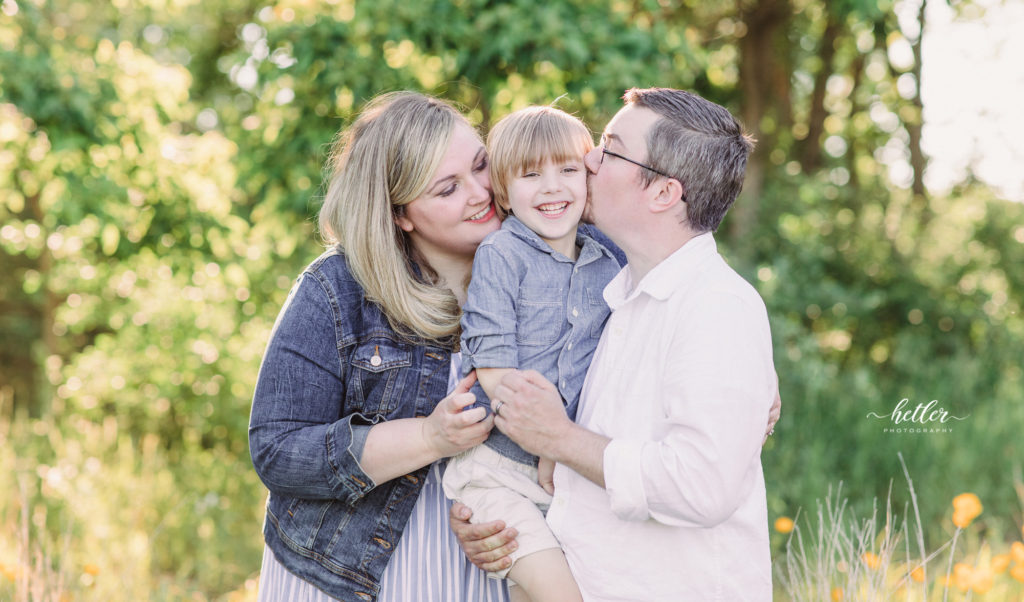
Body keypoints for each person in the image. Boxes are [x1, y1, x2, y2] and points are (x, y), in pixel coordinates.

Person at [454, 88, 779, 600]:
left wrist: (558, 439)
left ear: (663, 193)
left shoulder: (717, 308)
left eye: (610, 147)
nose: (588, 159)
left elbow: (701, 486)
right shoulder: (616, 291)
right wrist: (502, 527)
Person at [248, 91, 515, 602]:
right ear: (401, 215)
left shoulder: (545, 270)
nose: (481, 192)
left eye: (481, 165)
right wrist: (432, 436)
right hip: (350, 573)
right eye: (447, 189)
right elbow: (277, 451)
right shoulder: (339, 289)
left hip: (485, 566)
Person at [441, 107, 623, 602]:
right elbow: (496, 369)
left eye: (567, 170)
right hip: (499, 472)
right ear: (503, 190)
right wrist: (549, 441)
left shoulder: (610, 261)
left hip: (571, 478)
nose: (551, 187)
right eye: (531, 174)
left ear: (588, 179)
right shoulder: (501, 255)